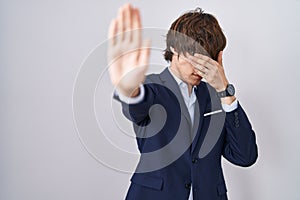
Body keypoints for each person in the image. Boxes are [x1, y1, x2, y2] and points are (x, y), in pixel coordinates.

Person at [107, 3, 258, 200]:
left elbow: (245, 156)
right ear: (174, 48)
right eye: (195, 58)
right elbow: (135, 106)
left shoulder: (217, 98)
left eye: (207, 61)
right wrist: (128, 86)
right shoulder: (151, 87)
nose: (199, 69)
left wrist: (224, 90)